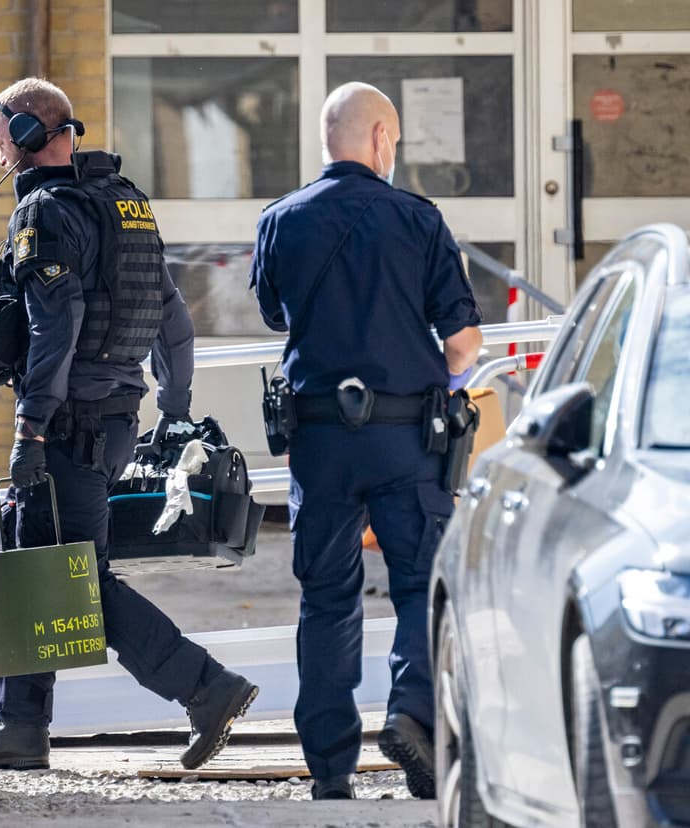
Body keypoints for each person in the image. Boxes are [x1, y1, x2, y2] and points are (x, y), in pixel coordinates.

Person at [0, 77, 259, 772]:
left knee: (74, 577)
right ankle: (21, 727)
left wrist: (29, 428)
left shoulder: (43, 212)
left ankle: (206, 688)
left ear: (29, 134)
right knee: (38, 565)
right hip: (117, 418)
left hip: (67, 422)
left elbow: (54, 327)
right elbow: (174, 318)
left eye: (1, 137)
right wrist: (173, 409)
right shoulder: (130, 206)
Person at [248, 82, 483, 800]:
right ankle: (412, 716)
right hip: (404, 436)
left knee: (326, 595)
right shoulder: (416, 218)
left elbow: (271, 314)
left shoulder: (280, 220)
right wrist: (431, 371)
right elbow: (466, 343)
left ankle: (329, 770)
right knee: (420, 583)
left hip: (316, 439)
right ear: (381, 138)